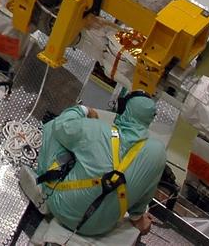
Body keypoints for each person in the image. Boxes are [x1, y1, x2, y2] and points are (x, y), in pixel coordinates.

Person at [34, 93, 167, 239]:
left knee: (55, 127)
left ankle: (42, 181)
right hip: (101, 227)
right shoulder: (158, 152)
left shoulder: (97, 129)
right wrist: (137, 218)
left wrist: (83, 110)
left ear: (122, 110)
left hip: (63, 208)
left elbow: (61, 125)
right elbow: (146, 192)